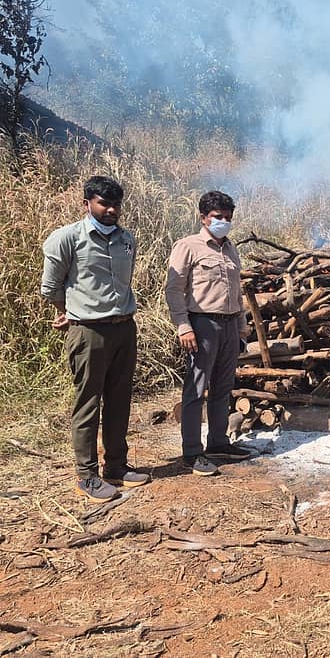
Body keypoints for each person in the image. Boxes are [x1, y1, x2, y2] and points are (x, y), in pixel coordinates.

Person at [41, 176, 150, 503]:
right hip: (89, 332)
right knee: (88, 403)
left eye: (116, 204)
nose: (111, 210)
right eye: (104, 203)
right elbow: (51, 287)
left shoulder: (126, 239)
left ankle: (115, 466)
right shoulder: (67, 239)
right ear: (87, 202)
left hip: (123, 329)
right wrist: (69, 312)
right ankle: (86, 476)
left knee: (119, 400)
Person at [165, 190, 252, 476]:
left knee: (223, 388)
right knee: (196, 389)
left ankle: (218, 442)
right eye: (217, 217)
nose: (223, 222)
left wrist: (241, 325)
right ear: (203, 218)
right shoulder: (188, 246)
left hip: (229, 325)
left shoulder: (230, 249)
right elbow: (174, 290)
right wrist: (183, 325)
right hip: (202, 325)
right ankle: (192, 452)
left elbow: (236, 292)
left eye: (227, 218)